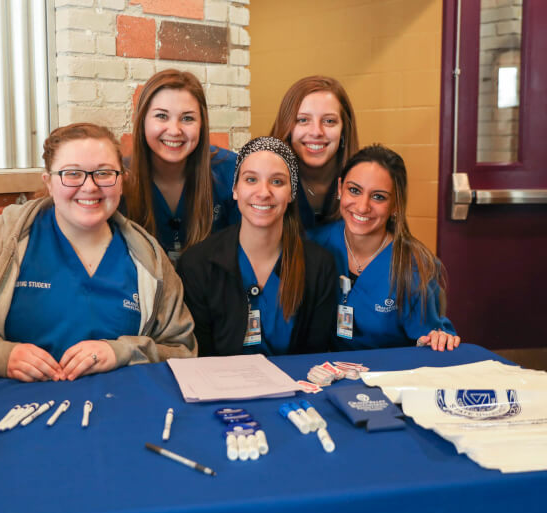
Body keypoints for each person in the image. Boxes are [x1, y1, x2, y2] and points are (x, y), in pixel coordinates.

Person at [0, 123, 196, 381]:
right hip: (11, 416)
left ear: (121, 181)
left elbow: (182, 350)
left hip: (118, 416)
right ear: (48, 182)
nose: (89, 187)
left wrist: (123, 352)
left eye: (104, 173)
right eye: (72, 174)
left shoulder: (149, 261)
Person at [177, 137, 337, 357]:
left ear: (292, 193)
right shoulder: (197, 264)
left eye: (277, 182)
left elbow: (313, 357)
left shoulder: (319, 266)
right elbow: (200, 357)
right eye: (251, 179)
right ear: (235, 189)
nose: (263, 192)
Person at [308, 144, 460, 351]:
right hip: (318, 371)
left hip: (386, 375)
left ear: (396, 204)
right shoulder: (313, 244)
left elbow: (429, 337)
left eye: (378, 196)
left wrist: (439, 338)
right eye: (354, 190)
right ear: (340, 188)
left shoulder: (413, 264)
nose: (362, 206)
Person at [124, 69, 239, 262]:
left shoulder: (232, 171)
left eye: (187, 118)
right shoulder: (119, 177)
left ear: (202, 124)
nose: (175, 130)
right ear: (142, 120)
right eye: (161, 116)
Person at [270, 75, 359, 229]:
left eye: (329, 121)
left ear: (344, 129)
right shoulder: (264, 184)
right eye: (303, 120)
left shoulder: (363, 181)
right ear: (287, 128)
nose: (316, 132)